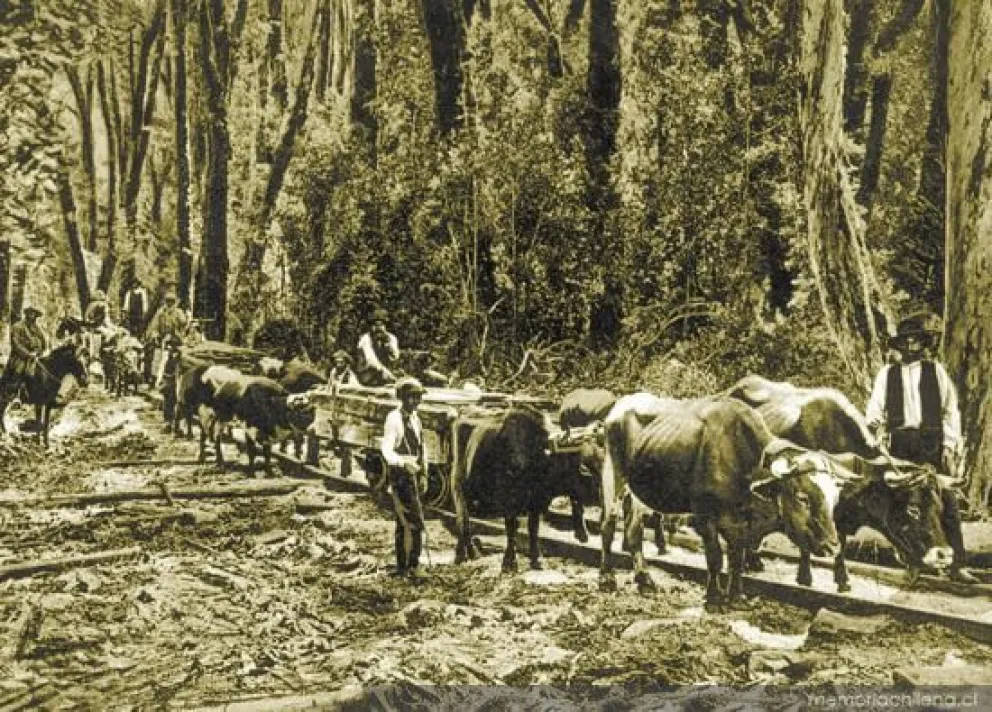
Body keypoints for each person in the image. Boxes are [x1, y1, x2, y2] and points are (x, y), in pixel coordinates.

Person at [865, 313, 978, 584]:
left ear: (922, 344)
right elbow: (874, 407)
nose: (911, 345)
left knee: (946, 500)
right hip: (900, 445)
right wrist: (873, 426)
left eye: (916, 341)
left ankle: (957, 564)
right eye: (907, 341)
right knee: (903, 503)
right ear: (900, 345)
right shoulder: (887, 374)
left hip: (931, 444)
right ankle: (915, 562)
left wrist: (950, 443)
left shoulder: (935, 371)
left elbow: (950, 410)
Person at [380, 376, 428, 581]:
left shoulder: (416, 419)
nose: (416, 402)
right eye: (412, 398)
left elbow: (421, 449)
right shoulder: (394, 419)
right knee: (411, 520)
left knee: (407, 521)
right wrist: (402, 463)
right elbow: (386, 450)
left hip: (414, 471)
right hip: (400, 474)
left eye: (418, 398)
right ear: (402, 398)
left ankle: (405, 565)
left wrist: (424, 473)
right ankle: (411, 566)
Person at [1, 305, 48, 399]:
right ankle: (14, 395)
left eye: (34, 314)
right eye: (30, 313)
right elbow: (16, 344)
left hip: (35, 356)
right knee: (20, 370)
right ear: (26, 314)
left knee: (45, 369)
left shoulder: (37, 329)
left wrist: (39, 352)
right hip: (20, 357)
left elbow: (44, 343)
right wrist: (28, 354)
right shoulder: (17, 327)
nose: (32, 316)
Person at [357, 309, 400, 386]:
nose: (378, 328)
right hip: (368, 375)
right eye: (375, 325)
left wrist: (388, 345)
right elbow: (371, 360)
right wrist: (386, 373)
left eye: (381, 325)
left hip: (386, 374)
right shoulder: (365, 339)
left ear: (386, 326)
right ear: (371, 326)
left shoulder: (391, 338)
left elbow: (395, 357)